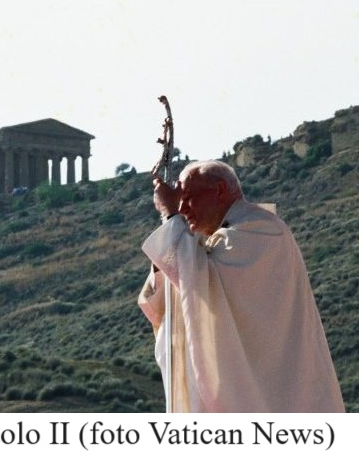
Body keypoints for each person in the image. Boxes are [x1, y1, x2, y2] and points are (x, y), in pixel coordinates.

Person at [138, 160, 344, 412]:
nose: (183, 208)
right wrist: (169, 235)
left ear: (220, 190)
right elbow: (172, 294)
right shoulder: (206, 243)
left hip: (273, 396)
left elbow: (201, 281)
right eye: (179, 202)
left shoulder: (263, 230)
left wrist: (169, 217)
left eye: (189, 198)